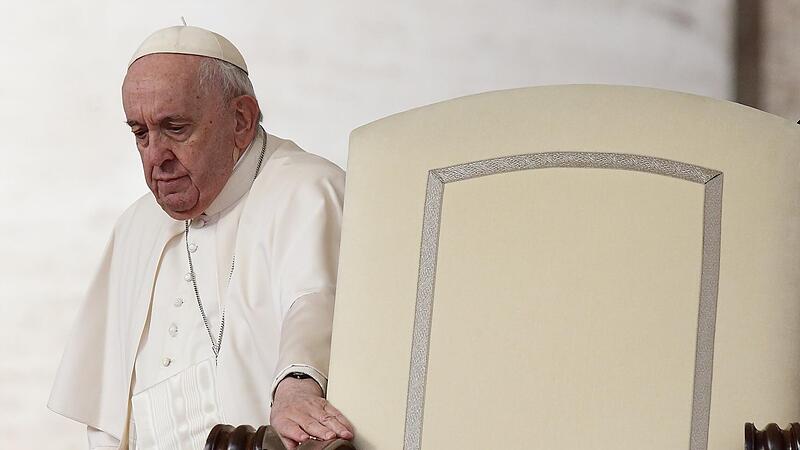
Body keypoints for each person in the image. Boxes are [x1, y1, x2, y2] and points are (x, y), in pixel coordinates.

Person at [48, 25, 353, 450]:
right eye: (140, 133)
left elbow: (316, 300)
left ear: (241, 120)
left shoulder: (307, 188)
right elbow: (109, 412)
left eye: (175, 128)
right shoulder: (136, 226)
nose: (156, 156)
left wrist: (296, 387)